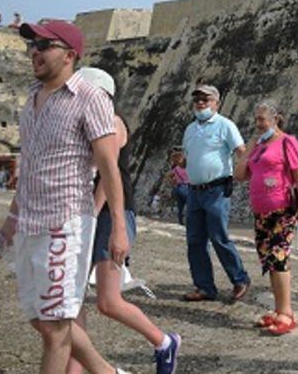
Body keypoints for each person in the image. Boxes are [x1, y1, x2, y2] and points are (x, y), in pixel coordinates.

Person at [0, 20, 132, 374]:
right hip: (30, 222)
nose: (35, 51)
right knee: (41, 318)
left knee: (55, 329)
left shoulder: (91, 98)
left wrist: (118, 226)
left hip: (66, 223)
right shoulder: (32, 98)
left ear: (70, 55)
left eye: (44, 44)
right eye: (32, 45)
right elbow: (30, 168)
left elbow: (108, 166)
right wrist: (10, 222)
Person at [66, 67, 181, 374]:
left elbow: (108, 174)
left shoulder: (113, 124)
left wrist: (90, 216)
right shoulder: (86, 124)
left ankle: (163, 341)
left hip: (108, 214)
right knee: (72, 300)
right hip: (88, 213)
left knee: (108, 301)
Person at [236, 102, 298, 335]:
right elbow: (239, 175)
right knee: (268, 260)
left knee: (279, 258)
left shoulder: (287, 141)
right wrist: (248, 150)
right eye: (256, 119)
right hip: (261, 211)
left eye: (262, 119)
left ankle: (286, 312)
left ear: (275, 119)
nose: (258, 124)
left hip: (282, 209)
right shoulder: (258, 145)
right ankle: (278, 310)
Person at [180, 84, 251, 302]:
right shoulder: (190, 129)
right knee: (194, 240)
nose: (201, 103)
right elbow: (187, 156)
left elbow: (242, 152)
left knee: (219, 237)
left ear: (216, 103)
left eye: (206, 99)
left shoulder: (225, 125)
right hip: (194, 191)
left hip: (217, 190)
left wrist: (247, 175)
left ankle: (239, 279)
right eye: (197, 99)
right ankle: (204, 286)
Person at [167, 147, 189, 225]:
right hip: (186, 187)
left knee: (180, 206)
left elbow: (168, 176)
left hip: (178, 188)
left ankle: (180, 221)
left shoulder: (175, 169)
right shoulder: (187, 168)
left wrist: (173, 182)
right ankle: (190, 221)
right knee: (190, 204)